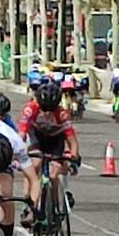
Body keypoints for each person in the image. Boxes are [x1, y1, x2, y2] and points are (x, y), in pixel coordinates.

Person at [18, 79, 81, 213]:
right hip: (37, 138)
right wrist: (18, 154)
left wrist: (74, 156)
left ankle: (55, 206)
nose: (47, 113)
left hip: (55, 140)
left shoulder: (62, 115)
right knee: (34, 165)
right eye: (44, 108)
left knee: (54, 174)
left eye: (51, 109)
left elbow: (72, 140)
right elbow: (21, 135)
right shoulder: (30, 109)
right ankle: (27, 202)